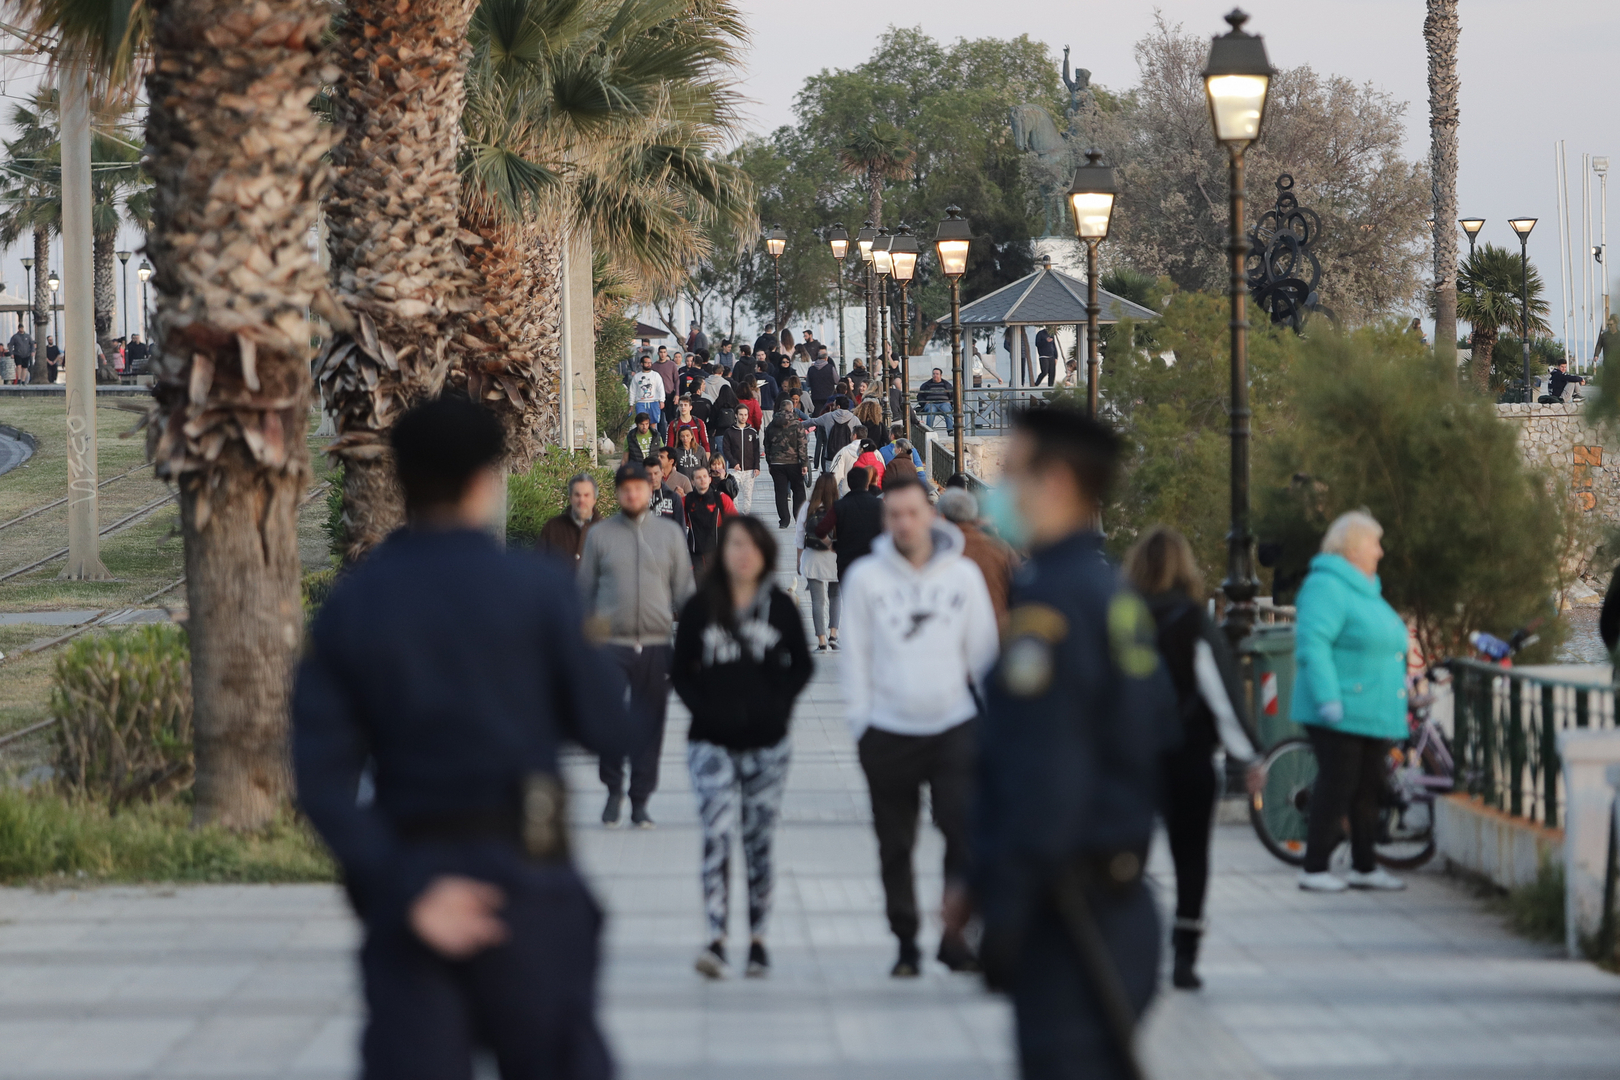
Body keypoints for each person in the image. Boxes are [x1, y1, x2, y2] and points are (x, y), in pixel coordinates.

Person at [293, 396, 635, 1080]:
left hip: (413, 875)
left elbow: (320, 779)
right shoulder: (537, 590)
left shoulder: (357, 603)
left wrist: (406, 889)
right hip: (530, 875)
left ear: (404, 478)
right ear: (486, 480)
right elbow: (608, 725)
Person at [948, 406, 1178, 1080]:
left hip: (1069, 919)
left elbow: (1041, 776)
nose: (1002, 491)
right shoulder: (1110, 593)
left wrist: (1002, 907)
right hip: (1115, 906)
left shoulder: (1052, 605)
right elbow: (1156, 732)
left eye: (1014, 474)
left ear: (1057, 484)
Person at [840, 476, 998, 977]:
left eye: (912, 513)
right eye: (894, 515)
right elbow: (855, 659)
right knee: (896, 842)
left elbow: (985, 656)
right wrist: (862, 724)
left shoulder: (962, 577)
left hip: (953, 725)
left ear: (930, 517)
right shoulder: (866, 578)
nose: (904, 523)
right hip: (887, 728)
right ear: (886, 521)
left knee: (964, 831)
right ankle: (906, 938)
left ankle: (955, 934)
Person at [1122, 526, 1261, 991]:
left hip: (1130, 759)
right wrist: (1249, 755)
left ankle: (1123, 949)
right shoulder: (1192, 620)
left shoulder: (1120, 618)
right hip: (1187, 755)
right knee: (1191, 857)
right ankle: (1185, 955)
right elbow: (1220, 695)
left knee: (1124, 857)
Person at [673, 515, 812, 979]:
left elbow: (802, 667)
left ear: (764, 554)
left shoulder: (780, 608)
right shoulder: (701, 608)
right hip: (710, 742)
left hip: (767, 746)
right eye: (734, 544)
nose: (743, 554)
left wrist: (778, 709)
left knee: (757, 840)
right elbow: (681, 670)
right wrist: (704, 710)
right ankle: (715, 937)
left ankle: (756, 939)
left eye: (751, 545)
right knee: (716, 836)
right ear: (723, 552)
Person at [1292, 510, 1411, 893]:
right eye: (1373, 543)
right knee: (1337, 785)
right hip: (1340, 710)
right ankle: (1314, 868)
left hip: (1369, 710)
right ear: (1354, 547)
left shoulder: (1364, 589)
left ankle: (1364, 865)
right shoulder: (1327, 586)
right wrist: (1329, 699)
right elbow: (1314, 643)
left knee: (1368, 788)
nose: (1379, 551)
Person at [579, 460, 696, 829]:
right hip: (611, 645)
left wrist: (692, 644)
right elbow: (584, 593)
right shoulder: (600, 536)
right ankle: (613, 787)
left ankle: (640, 798)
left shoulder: (669, 535)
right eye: (626, 489)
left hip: (657, 644)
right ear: (617, 494)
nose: (633, 494)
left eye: (639, 488)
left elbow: (685, 594)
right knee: (610, 719)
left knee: (651, 724)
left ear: (649, 491)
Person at [937, 488, 1019, 627]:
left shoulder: (940, 551)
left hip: (955, 629)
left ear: (943, 517)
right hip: (998, 629)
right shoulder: (1000, 548)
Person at [795, 471, 842, 652]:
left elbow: (800, 535)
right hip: (835, 556)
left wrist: (799, 560)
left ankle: (821, 641)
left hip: (812, 556)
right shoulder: (839, 506)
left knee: (817, 600)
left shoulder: (808, 506)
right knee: (836, 596)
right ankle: (833, 635)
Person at [816, 464, 884, 580]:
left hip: (847, 563)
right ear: (867, 483)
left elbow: (820, 530)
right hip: (872, 562)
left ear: (849, 484)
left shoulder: (839, 506)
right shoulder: (879, 504)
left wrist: (831, 545)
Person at [537, 472, 603, 569]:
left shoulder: (605, 530)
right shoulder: (552, 527)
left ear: (594, 499)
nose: (581, 500)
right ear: (570, 498)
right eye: (577, 495)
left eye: (586, 495)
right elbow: (538, 565)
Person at [683, 464, 736, 574]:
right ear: (692, 482)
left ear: (710, 479)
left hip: (716, 553)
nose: (702, 480)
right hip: (695, 554)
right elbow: (678, 524)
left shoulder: (722, 498)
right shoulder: (686, 501)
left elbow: (735, 524)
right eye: (698, 477)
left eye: (705, 476)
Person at [763, 406, 809, 529]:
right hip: (794, 463)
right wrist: (804, 463)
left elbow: (766, 445)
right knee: (799, 490)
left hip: (777, 463)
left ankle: (784, 520)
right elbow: (802, 445)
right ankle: (799, 517)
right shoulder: (797, 424)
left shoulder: (771, 425)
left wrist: (769, 462)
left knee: (780, 492)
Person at [720, 406, 761, 513]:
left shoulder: (752, 432)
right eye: (741, 414)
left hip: (749, 469)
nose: (743, 417)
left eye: (745, 415)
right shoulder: (729, 432)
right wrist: (734, 463)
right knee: (733, 495)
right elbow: (726, 449)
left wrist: (757, 466)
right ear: (736, 415)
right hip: (734, 470)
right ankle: (734, 517)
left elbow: (756, 450)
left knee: (748, 496)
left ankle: (745, 518)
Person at [805, 400, 859, 473]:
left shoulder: (828, 416)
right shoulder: (854, 419)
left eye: (834, 405)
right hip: (847, 454)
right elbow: (862, 431)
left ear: (838, 406)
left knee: (830, 478)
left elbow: (813, 421)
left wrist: (797, 424)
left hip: (830, 454)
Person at [629, 354, 666, 435]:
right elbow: (632, 391)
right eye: (646, 363)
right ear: (642, 364)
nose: (649, 364)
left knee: (653, 423)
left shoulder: (656, 375)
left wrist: (662, 400)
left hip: (654, 402)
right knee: (642, 423)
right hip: (641, 403)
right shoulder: (637, 376)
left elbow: (661, 388)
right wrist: (631, 404)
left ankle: (653, 440)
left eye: (650, 362)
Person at [652, 348, 680, 423]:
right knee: (659, 420)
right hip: (658, 396)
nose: (663, 354)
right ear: (658, 353)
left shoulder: (672, 365)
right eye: (661, 352)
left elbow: (676, 380)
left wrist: (677, 394)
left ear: (666, 353)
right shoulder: (654, 366)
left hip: (670, 394)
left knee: (671, 419)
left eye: (664, 352)